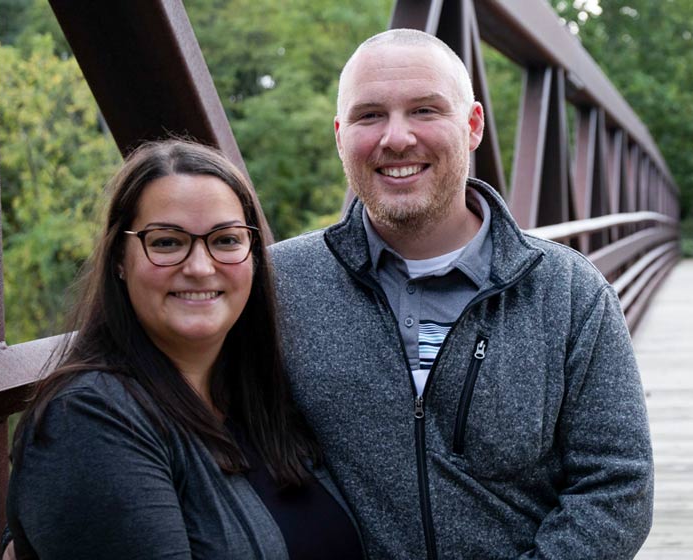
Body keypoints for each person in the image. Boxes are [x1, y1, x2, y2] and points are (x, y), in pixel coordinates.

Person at [269, 29, 654, 559]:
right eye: (369, 115)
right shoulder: (277, 284)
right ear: (340, 135)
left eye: (425, 110)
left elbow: (618, 486)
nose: (396, 138)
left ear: (473, 126)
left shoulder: (570, 293)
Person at [5, 140, 365, 559]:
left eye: (226, 240)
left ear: (252, 257)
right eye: (166, 242)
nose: (199, 267)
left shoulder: (263, 397)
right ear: (119, 258)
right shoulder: (88, 420)